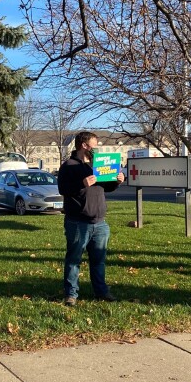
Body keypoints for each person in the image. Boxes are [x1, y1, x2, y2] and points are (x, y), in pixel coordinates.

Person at [57, 131, 125, 306]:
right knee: (74, 260)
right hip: (78, 222)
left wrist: (117, 181)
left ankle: (101, 292)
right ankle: (71, 294)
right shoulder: (69, 166)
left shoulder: (97, 165)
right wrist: (82, 183)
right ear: (84, 145)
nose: (97, 149)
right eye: (95, 145)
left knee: (99, 260)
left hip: (100, 222)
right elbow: (63, 189)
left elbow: (106, 187)